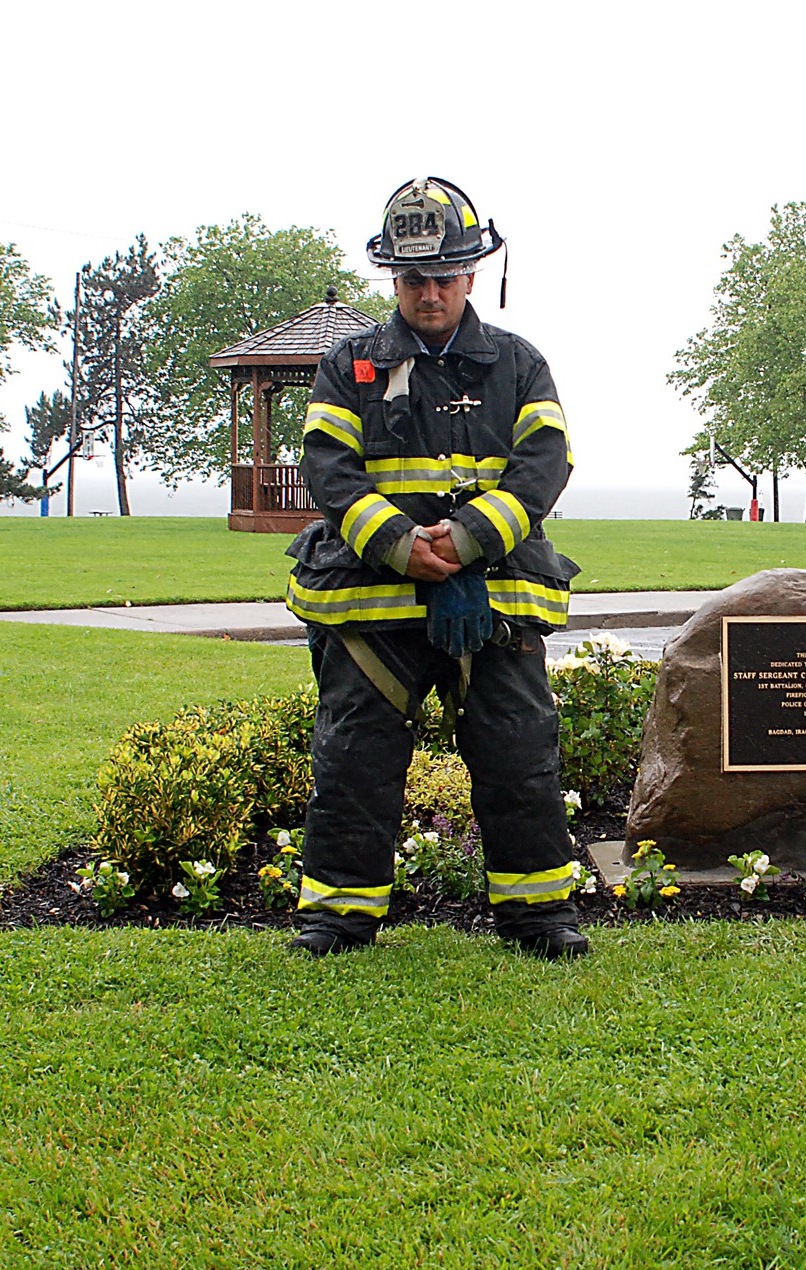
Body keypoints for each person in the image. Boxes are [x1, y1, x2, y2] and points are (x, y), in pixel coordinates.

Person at [284, 176, 588, 959]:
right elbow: (328, 468)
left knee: (519, 747)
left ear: (472, 275)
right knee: (354, 755)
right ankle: (337, 918)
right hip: (374, 604)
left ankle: (539, 915)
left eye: (443, 277)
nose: (428, 293)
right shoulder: (344, 367)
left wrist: (466, 539)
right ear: (393, 277)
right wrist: (399, 544)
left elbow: (545, 462)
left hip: (493, 597)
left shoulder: (520, 365)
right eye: (414, 279)